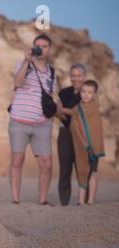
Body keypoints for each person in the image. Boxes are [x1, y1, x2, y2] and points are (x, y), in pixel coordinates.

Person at [8, 34, 58, 206]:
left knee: (47, 164)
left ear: (49, 49)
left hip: (43, 124)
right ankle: (15, 199)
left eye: (45, 46)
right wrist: (26, 61)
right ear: (33, 47)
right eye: (38, 46)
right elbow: (17, 82)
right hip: (19, 121)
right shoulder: (23, 65)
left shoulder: (52, 72)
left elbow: (51, 97)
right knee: (17, 161)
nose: (41, 49)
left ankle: (42, 200)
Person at [61, 80, 105, 205]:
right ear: (80, 92)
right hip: (81, 145)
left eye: (90, 92)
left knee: (93, 171)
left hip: (94, 146)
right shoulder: (76, 108)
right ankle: (81, 200)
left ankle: (90, 200)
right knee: (82, 170)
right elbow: (73, 125)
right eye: (84, 92)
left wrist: (91, 144)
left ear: (94, 94)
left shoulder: (95, 109)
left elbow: (96, 128)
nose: (86, 95)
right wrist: (83, 140)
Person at [56, 64, 85, 206]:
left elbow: (79, 113)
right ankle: (64, 201)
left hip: (81, 134)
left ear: (83, 77)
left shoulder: (87, 93)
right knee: (65, 168)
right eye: (73, 75)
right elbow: (57, 111)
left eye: (79, 75)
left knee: (82, 167)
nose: (76, 78)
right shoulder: (63, 92)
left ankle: (83, 200)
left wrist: (66, 110)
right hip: (65, 133)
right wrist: (70, 111)